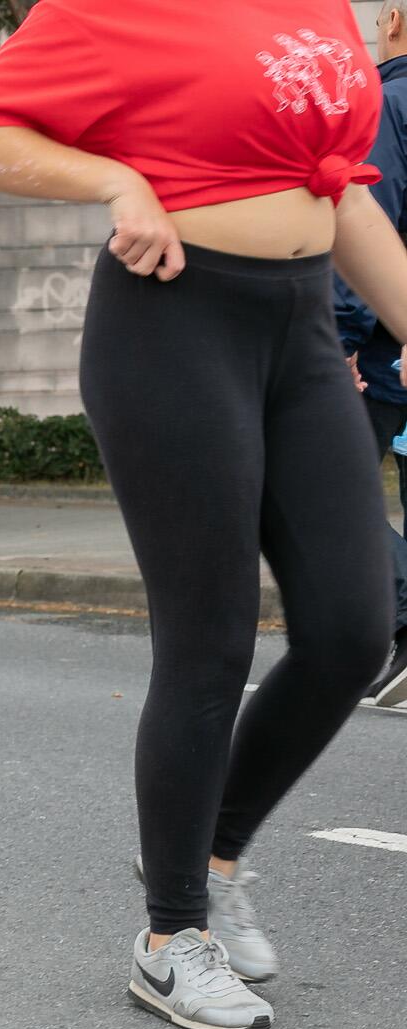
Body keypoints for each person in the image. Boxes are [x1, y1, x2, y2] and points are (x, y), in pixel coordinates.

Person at [0, 0, 404, 1029]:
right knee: (209, 638)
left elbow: (340, 185)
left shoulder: (320, 7)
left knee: (353, 628)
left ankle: (212, 853)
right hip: (174, 318)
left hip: (306, 326)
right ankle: (169, 936)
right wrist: (116, 178)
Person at [335, 0, 407, 707]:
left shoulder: (387, 102)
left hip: (388, 349)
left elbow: (370, 220)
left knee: (327, 488)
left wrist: (341, 340)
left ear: (392, 20)